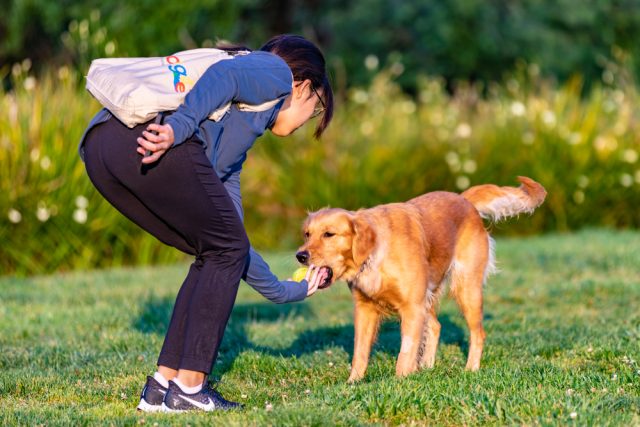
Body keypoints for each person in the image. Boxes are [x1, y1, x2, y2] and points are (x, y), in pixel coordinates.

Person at [78, 34, 334, 412]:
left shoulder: (230, 142)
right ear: (304, 87)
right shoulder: (275, 71)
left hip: (104, 150)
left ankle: (163, 386)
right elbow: (225, 75)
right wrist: (178, 128)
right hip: (146, 136)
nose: (304, 120)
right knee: (222, 249)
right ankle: (191, 389)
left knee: (216, 249)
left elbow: (235, 245)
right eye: (314, 108)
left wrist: (289, 291)